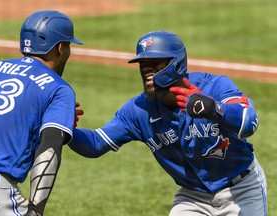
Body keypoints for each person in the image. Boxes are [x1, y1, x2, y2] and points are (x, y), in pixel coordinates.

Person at [70, 30, 267, 215]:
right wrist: (65, 129)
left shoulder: (213, 86)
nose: (147, 71)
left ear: (177, 65)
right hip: (193, 197)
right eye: (143, 65)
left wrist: (212, 109)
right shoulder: (138, 110)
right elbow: (96, 144)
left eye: (155, 64)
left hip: (242, 188)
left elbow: (248, 121)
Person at [0, 10, 83, 216]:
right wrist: (36, 210)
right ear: (60, 48)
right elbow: (49, 151)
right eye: (68, 46)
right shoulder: (59, 89)